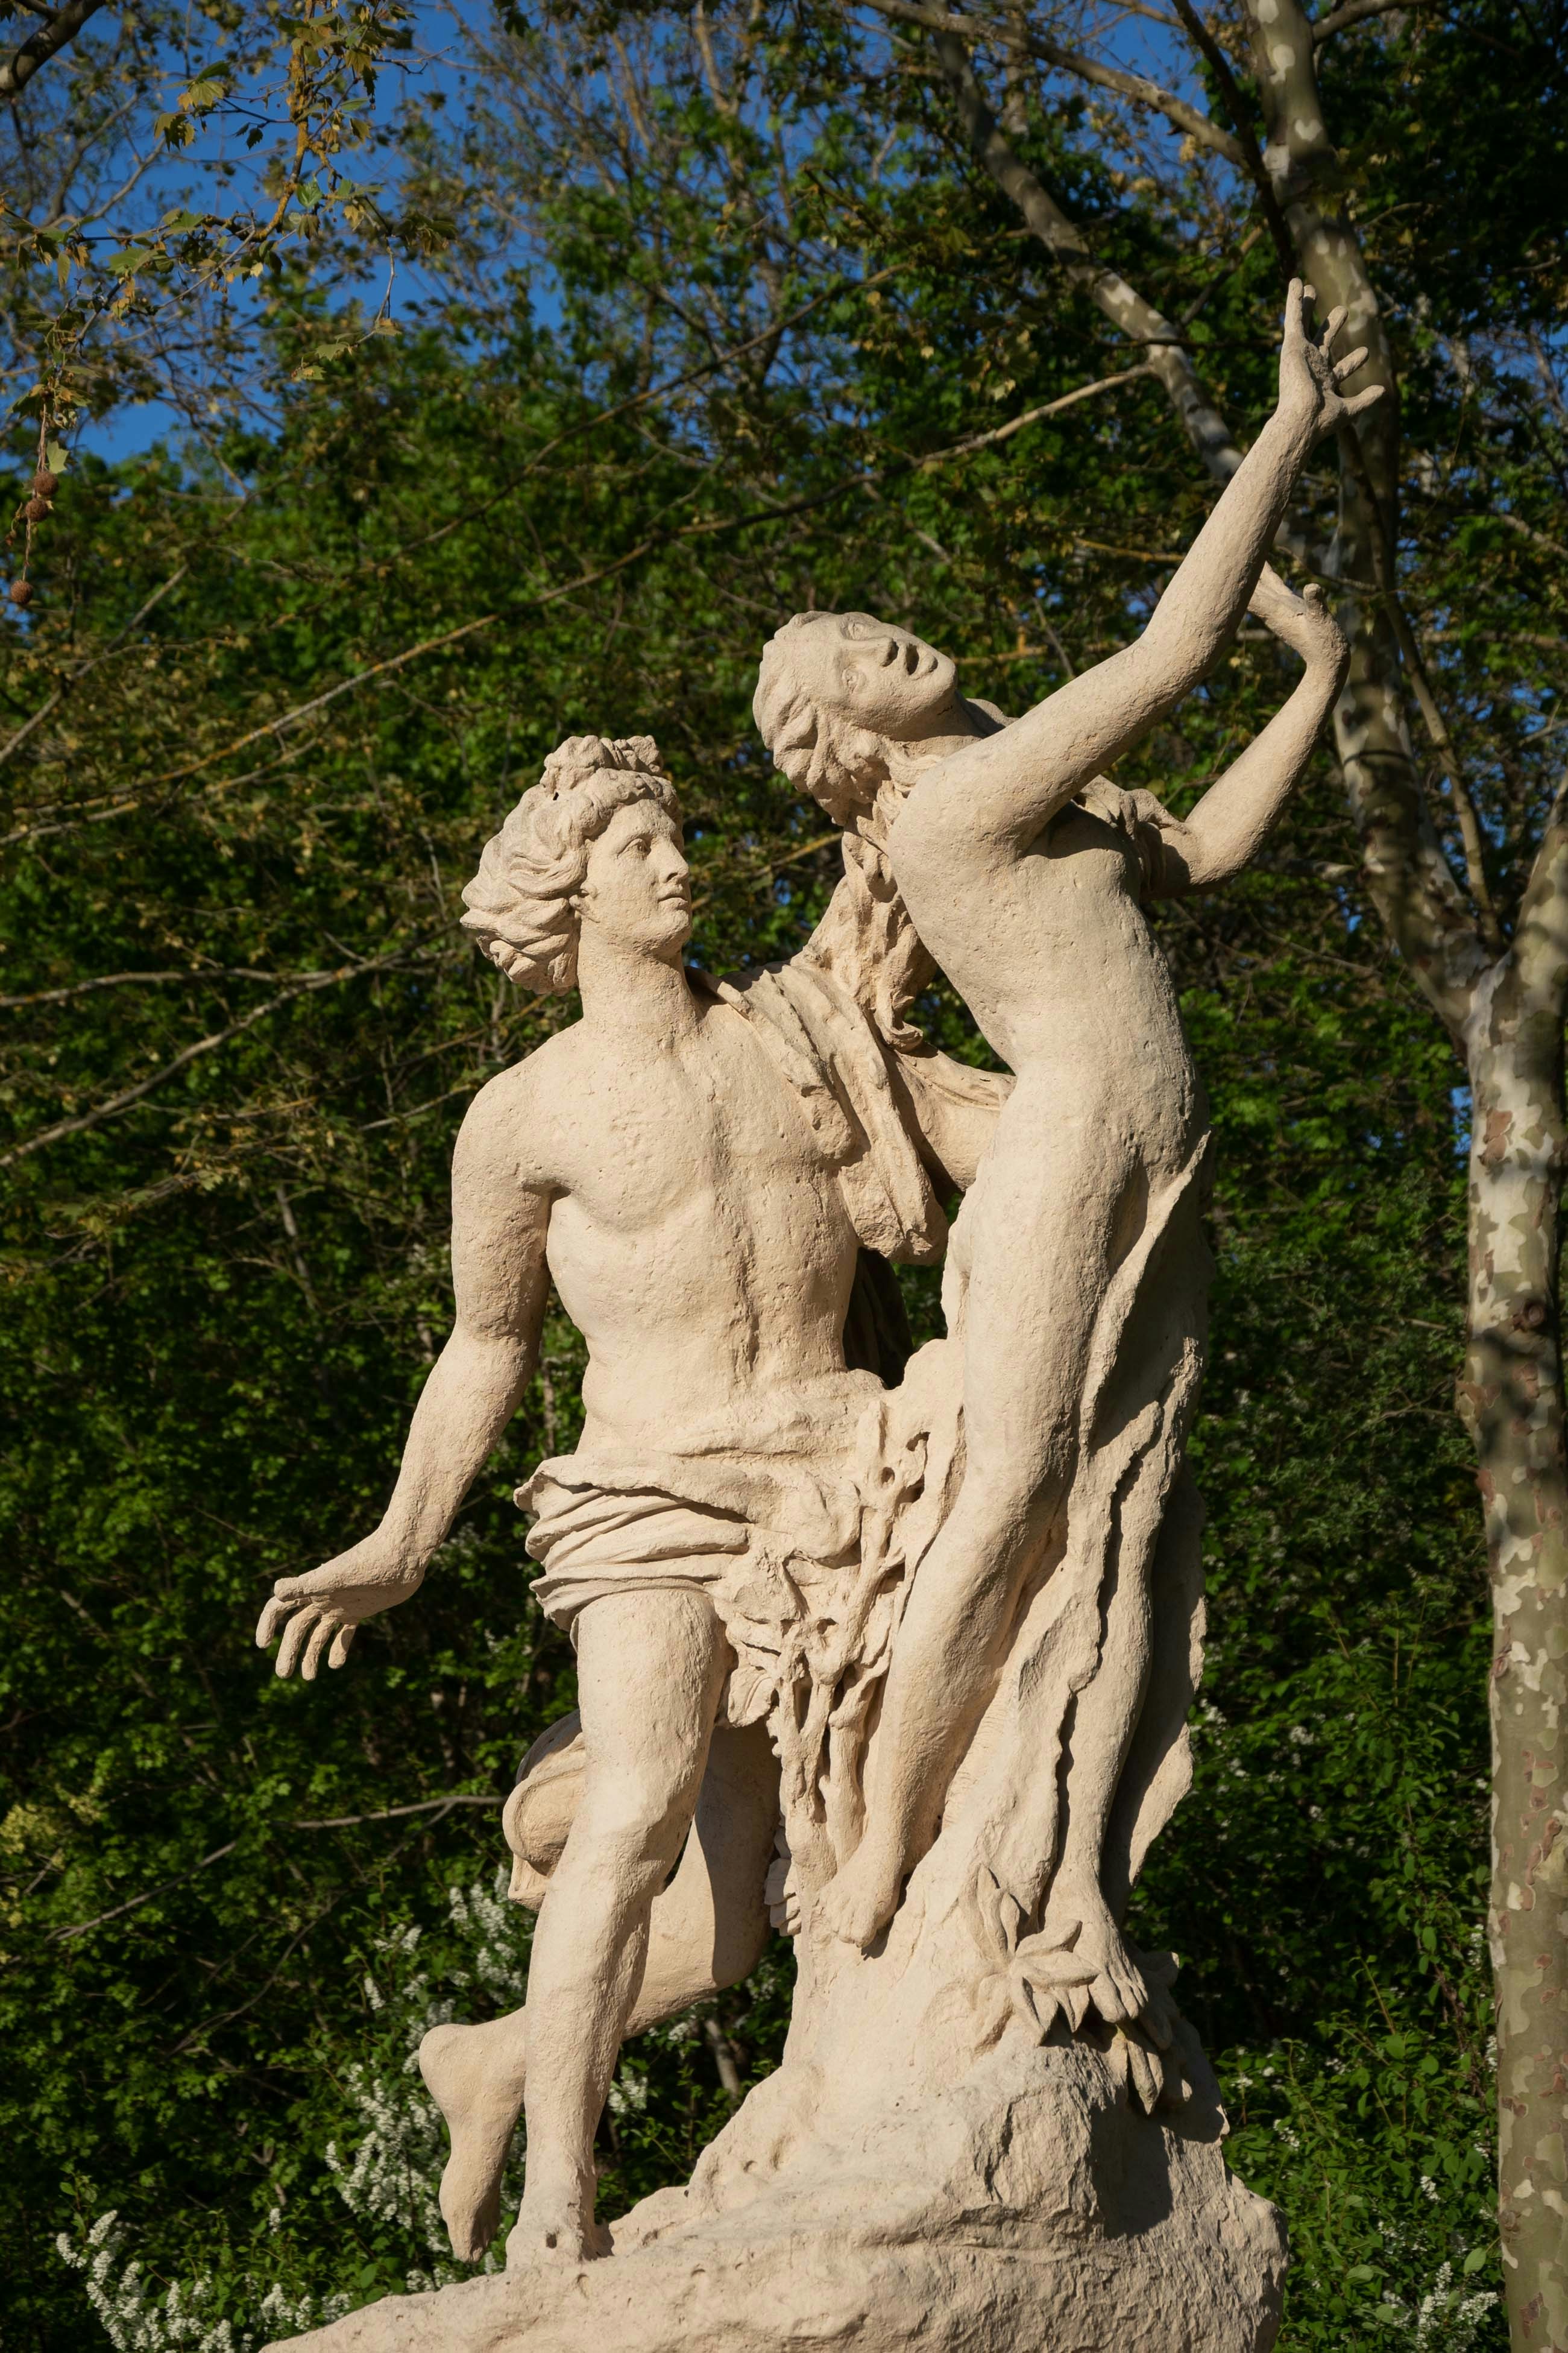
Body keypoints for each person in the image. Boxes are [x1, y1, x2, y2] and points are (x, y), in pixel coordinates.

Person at [254, 732, 984, 2265]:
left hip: (844, 1474)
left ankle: (503, 2059)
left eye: (675, 837)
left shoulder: (796, 1030)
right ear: (565, 886)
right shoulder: (519, 1118)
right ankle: (555, 2211)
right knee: (640, 1801)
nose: (675, 862)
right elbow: (485, 1344)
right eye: (636, 846)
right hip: (647, 1492)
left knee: (734, 1932)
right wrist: (400, 1542)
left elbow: (935, 870)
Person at [752, 284, 1377, 2013]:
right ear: (848, 738)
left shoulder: (1053, 802)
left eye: (882, 624)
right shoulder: (957, 804)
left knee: (1133, 1526)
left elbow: (1220, 847)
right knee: (1017, 1488)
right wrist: (1284, 425)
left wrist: (1317, 670)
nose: (896, 641)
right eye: (857, 656)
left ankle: (1076, 1866)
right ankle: (883, 1831)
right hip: (1066, 1159)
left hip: (1166, 1174)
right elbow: (1172, 649)